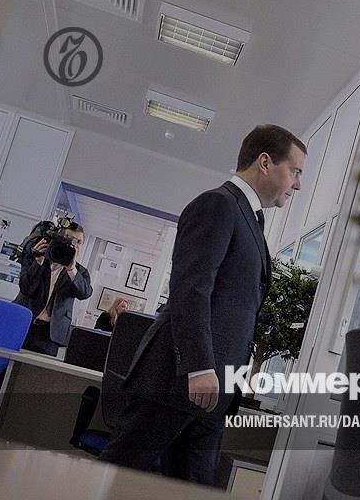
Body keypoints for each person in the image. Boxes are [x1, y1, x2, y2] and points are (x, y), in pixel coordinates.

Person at [99, 124, 306, 485]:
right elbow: (191, 289)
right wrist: (198, 367)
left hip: (212, 391)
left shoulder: (249, 219)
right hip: (179, 381)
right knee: (115, 477)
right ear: (265, 162)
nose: (298, 185)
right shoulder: (218, 205)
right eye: (295, 171)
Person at [15, 222, 93, 356]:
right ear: (59, 238)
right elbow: (26, 288)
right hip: (23, 323)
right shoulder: (35, 258)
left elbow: (85, 293)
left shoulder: (80, 272)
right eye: (69, 239)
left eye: (79, 242)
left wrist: (71, 269)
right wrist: (38, 262)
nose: (74, 244)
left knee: (37, 369)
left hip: (50, 333)